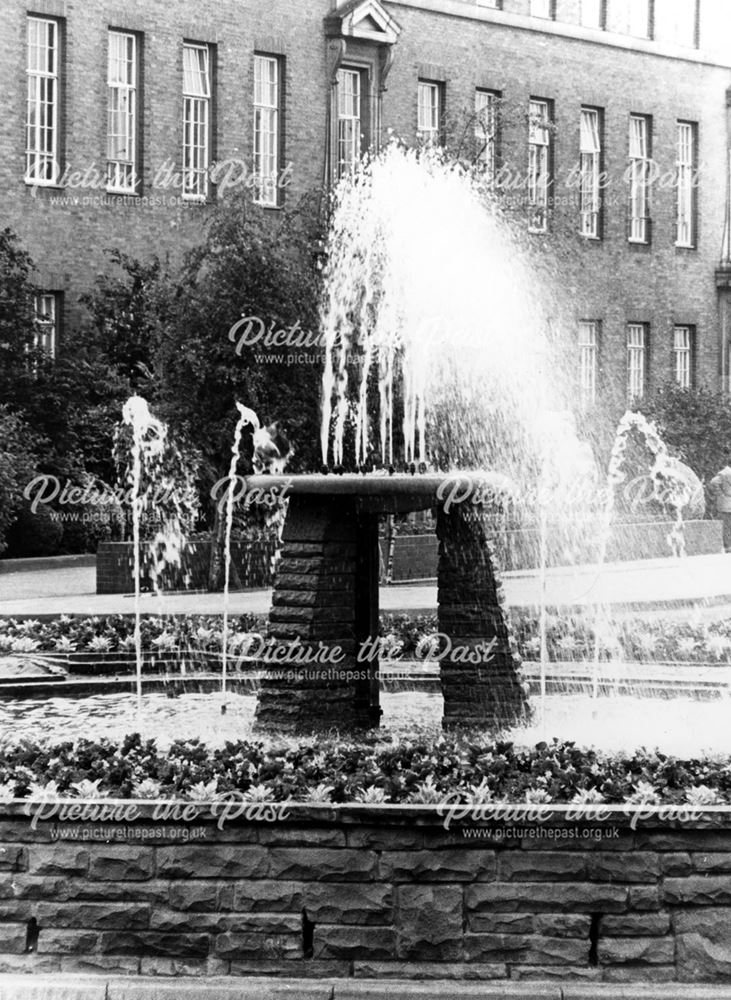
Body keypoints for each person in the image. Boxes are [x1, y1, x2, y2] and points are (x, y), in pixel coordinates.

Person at [708, 460, 731, 552]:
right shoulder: (726, 473)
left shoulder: (725, 473)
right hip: (726, 502)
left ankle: (728, 546)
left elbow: (713, 482)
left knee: (727, 526)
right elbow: (714, 482)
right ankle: (728, 546)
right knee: (726, 525)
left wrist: (720, 493)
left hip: (726, 502)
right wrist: (721, 493)